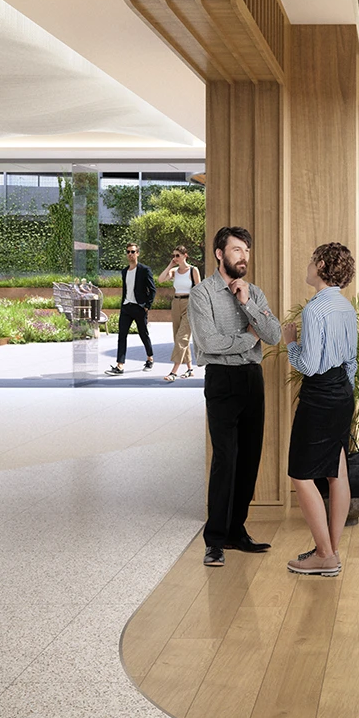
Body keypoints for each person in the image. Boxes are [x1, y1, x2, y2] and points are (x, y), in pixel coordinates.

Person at [189, 226, 281, 567]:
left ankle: (235, 531)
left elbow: (273, 335)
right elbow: (209, 343)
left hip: (252, 379)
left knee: (249, 458)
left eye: (247, 250)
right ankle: (214, 540)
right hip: (221, 381)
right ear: (220, 254)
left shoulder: (253, 292)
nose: (244, 256)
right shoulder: (202, 294)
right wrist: (249, 338)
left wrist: (248, 305)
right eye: (237, 250)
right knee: (225, 459)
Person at [284, 243, 358, 577]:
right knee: (336, 470)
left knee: (301, 474)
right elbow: (351, 361)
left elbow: (310, 365)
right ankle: (330, 551)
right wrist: (343, 393)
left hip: (319, 395)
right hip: (342, 391)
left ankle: (324, 555)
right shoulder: (346, 307)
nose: (308, 265)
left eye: (312, 260)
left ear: (322, 266)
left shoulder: (314, 310)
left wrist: (291, 343)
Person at [107, 242, 155, 376]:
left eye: (133, 252)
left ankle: (150, 358)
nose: (130, 254)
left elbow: (152, 289)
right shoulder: (124, 271)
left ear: (137, 253)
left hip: (139, 307)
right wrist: (123, 305)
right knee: (122, 336)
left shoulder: (144, 270)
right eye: (128, 252)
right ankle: (120, 365)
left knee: (143, 334)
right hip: (126, 307)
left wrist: (147, 306)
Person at [161, 245, 201, 381]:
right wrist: (170, 265)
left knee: (182, 338)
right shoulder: (174, 271)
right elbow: (161, 279)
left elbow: (199, 290)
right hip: (176, 303)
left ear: (185, 255)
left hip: (189, 304)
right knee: (177, 336)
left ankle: (174, 372)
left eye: (178, 255)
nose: (175, 258)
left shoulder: (193, 270)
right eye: (173, 256)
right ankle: (190, 369)